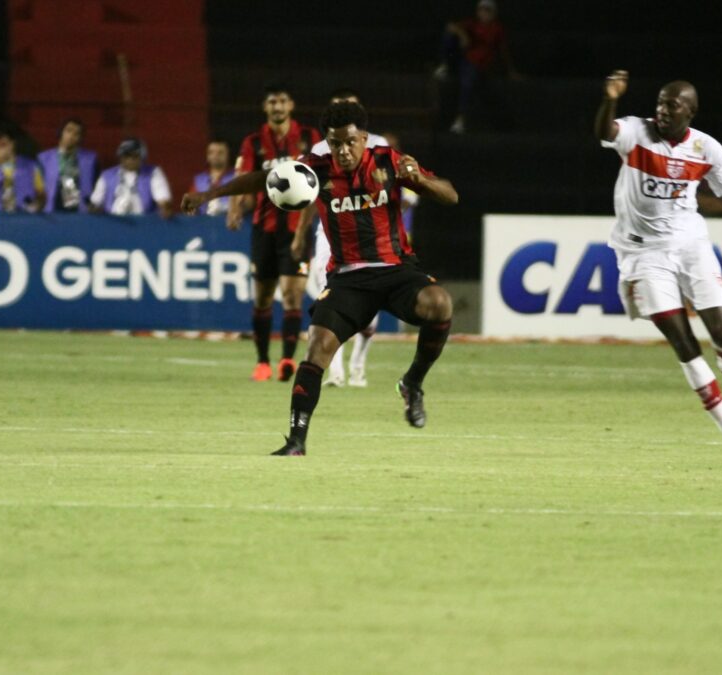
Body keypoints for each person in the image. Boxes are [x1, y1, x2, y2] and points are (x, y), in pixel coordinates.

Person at [183, 101, 459, 456]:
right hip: (347, 279)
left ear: (363, 138)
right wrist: (210, 194)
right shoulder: (314, 170)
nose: (342, 151)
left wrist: (419, 179)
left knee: (440, 304)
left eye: (349, 142)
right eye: (334, 143)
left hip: (397, 271)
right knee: (317, 351)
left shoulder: (388, 161)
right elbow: (263, 179)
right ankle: (296, 441)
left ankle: (412, 384)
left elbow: (450, 195)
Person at [595, 70, 722, 463]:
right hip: (642, 255)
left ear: (691, 112)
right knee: (685, 345)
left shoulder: (707, 149)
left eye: (672, 105)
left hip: (690, 246)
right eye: (659, 102)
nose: (662, 110)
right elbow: (604, 131)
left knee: (721, 330)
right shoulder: (636, 133)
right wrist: (610, 99)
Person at [229, 83, 322, 382]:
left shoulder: (309, 138)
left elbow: (322, 175)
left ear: (291, 105)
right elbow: (243, 178)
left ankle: (287, 360)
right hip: (264, 229)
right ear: (265, 107)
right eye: (272, 102)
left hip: (298, 228)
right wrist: (234, 207)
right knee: (263, 297)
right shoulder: (254, 142)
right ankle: (262, 362)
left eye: (282, 101)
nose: (278, 107)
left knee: (293, 296)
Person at [306, 89, 388, 389]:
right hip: (330, 235)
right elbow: (308, 194)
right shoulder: (318, 150)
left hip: (369, 236)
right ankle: (336, 371)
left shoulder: (380, 145)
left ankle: (358, 365)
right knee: (331, 300)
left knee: (368, 313)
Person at [436, 0, 517, 134]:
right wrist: (462, 35)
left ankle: (460, 119)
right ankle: (445, 65)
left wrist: (510, 71)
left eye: (487, 11)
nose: (484, 13)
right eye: (482, 10)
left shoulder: (497, 28)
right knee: (449, 37)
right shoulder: (472, 23)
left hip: (480, 65)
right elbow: (450, 26)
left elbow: (503, 51)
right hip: (465, 60)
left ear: (493, 14)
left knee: (466, 83)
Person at [90, 137, 174, 218]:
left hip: (144, 224)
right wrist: (94, 209)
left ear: (142, 157)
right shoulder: (107, 175)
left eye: (135, 156)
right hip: (114, 223)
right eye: (126, 155)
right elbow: (95, 203)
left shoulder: (153, 173)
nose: (130, 160)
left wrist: (165, 208)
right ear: (120, 156)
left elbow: (163, 200)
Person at [38, 118, 98, 213]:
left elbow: (96, 185)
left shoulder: (91, 159)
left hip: (79, 208)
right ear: (60, 132)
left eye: (76, 133)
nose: (71, 136)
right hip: (53, 207)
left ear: (80, 137)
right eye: (68, 131)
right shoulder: (44, 158)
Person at [0, 130, 45, 213]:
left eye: (4, 145)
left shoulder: (30, 166)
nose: (1, 151)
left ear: (13, 144)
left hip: (24, 216)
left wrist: (36, 206)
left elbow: (41, 193)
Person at [188, 140, 235, 216]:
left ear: (228, 155)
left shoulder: (237, 176)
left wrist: (225, 207)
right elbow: (190, 205)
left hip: (230, 223)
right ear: (207, 156)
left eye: (220, 153)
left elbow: (248, 203)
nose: (215, 156)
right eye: (211, 152)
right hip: (204, 224)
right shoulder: (199, 179)